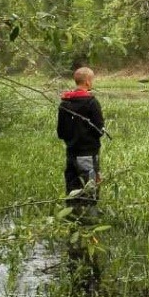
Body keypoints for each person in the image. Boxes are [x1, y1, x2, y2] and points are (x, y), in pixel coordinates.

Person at [56, 66, 105, 210]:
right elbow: (99, 129)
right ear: (88, 82)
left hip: (71, 153)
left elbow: (60, 132)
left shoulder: (64, 103)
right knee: (89, 188)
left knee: (72, 188)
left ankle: (71, 217)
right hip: (88, 154)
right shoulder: (92, 102)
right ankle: (89, 221)